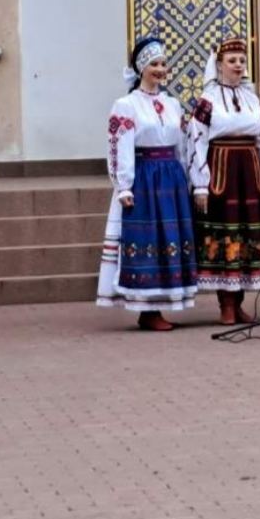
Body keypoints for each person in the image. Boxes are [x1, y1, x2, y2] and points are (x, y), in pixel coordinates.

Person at [97, 36, 198, 331]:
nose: (160, 69)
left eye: (163, 63)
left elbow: (183, 144)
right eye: (154, 64)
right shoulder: (126, 105)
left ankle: (161, 304)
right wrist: (124, 185)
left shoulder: (172, 104)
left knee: (169, 238)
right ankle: (148, 309)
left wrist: (189, 179)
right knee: (149, 239)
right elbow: (119, 144)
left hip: (170, 176)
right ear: (142, 68)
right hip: (145, 176)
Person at [188, 35, 260, 325]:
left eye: (241, 61)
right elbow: (196, 140)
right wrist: (200, 183)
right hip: (222, 168)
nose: (238, 65)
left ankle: (239, 302)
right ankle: (225, 301)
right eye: (232, 61)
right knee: (225, 232)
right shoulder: (208, 100)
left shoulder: (252, 98)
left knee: (248, 231)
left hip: (249, 169)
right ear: (219, 65)